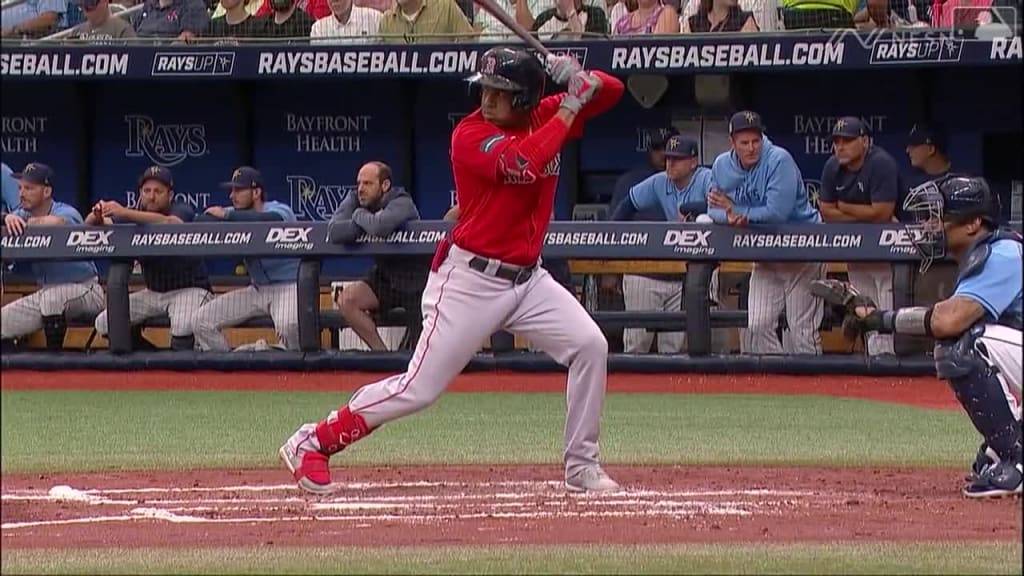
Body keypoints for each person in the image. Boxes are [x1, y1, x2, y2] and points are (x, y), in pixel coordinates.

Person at [279, 47, 625, 495]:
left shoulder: (545, 114)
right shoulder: (470, 134)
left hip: (528, 278)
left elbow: (612, 93)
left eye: (500, 92)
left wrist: (578, 74)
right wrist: (573, 103)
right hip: (469, 282)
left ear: (524, 98)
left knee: (590, 346)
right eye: (484, 89)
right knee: (419, 388)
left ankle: (581, 467)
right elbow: (523, 162)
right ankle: (314, 440)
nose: (487, 98)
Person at [813, 174, 1021, 498]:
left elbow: (947, 322)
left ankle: (1018, 459)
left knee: (965, 345)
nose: (929, 227)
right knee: (989, 458)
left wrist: (880, 319)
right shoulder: (988, 253)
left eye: (939, 219)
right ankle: (1007, 448)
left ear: (973, 224)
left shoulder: (1003, 254)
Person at [708, 110, 824, 356]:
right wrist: (729, 216)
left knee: (801, 331)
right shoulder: (721, 165)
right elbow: (713, 210)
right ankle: (783, 386)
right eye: (744, 143)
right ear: (732, 143)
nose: (751, 148)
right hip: (764, 253)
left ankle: (815, 390)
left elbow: (776, 213)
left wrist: (736, 210)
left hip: (802, 247)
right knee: (757, 326)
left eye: (756, 141)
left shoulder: (778, 159)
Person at [87, 166, 212, 351]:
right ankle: (148, 359)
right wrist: (97, 215)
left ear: (170, 195)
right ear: (140, 193)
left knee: (182, 325)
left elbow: (172, 223)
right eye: (147, 191)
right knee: (104, 323)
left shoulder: (180, 209)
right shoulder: (132, 214)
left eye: (158, 191)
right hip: (154, 292)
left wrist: (124, 212)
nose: (151, 196)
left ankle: (180, 369)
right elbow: (90, 223)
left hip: (190, 290)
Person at [610, 134, 715, 354]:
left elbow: (720, 205)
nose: (670, 164)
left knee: (673, 349)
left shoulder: (706, 177)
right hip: (650, 272)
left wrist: (692, 208)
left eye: (677, 159)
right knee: (636, 345)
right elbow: (628, 203)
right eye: (668, 158)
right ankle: (629, 389)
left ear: (693, 162)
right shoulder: (660, 181)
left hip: (685, 274)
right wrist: (611, 235)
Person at [818, 116, 901, 356]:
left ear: (865, 141)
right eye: (836, 141)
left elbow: (883, 212)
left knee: (886, 310)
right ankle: (875, 362)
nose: (840, 147)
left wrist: (844, 207)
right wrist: (866, 216)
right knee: (864, 308)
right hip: (858, 250)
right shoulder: (832, 166)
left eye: (848, 141)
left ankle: (891, 365)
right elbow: (826, 211)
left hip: (888, 249)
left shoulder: (881, 163)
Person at [193, 167, 301, 351]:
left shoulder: (280, 210)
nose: (232, 196)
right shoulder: (234, 213)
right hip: (257, 289)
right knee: (200, 321)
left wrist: (227, 216)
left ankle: (291, 366)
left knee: (289, 325)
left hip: (288, 287)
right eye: (231, 190)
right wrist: (221, 216)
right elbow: (200, 221)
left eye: (238, 190)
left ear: (257, 192)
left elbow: (270, 220)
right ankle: (231, 365)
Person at [0, 163, 105, 351]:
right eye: (20, 188)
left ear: (47, 191)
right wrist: (5, 218)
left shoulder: (65, 211)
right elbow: (7, 223)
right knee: (3, 323)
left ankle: (54, 361)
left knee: (52, 299)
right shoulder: (20, 214)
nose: (22, 193)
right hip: (45, 292)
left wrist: (23, 223)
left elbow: (58, 222)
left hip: (85, 289)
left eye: (29, 188)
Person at [328, 161, 428, 351]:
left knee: (418, 350)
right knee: (347, 300)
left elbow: (380, 227)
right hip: (386, 277)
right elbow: (335, 231)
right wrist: (364, 215)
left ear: (385, 186)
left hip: (417, 282)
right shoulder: (357, 199)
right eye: (359, 183)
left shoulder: (402, 201)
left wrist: (357, 214)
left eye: (367, 183)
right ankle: (381, 354)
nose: (360, 189)